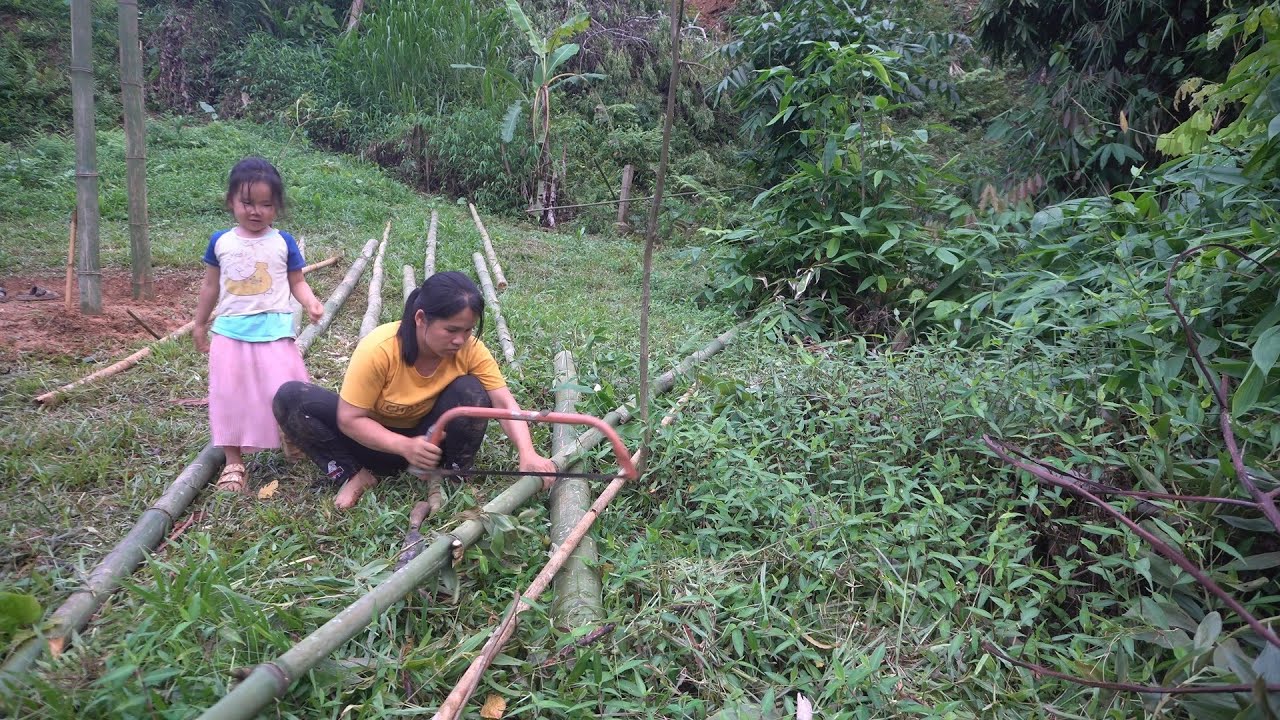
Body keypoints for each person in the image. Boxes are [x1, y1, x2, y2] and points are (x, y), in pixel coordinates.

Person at [273, 271, 557, 510]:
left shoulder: (471, 351)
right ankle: (354, 474)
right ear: (421, 319)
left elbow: (503, 400)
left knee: (472, 391)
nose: (460, 340)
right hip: (371, 442)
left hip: (429, 443)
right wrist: (404, 447)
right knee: (290, 398)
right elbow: (350, 419)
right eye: (451, 330)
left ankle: (453, 472)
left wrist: (527, 452)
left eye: (468, 330)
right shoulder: (379, 349)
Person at [192, 156, 325, 493]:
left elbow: (297, 282)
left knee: (289, 387)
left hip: (275, 330)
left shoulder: (283, 242)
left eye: (265, 204)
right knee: (228, 395)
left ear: (276, 207)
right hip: (230, 332)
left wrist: (310, 301)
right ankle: (234, 461)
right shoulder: (220, 242)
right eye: (247, 203)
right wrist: (199, 323)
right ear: (231, 202)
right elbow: (210, 286)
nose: (255, 211)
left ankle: (295, 438)